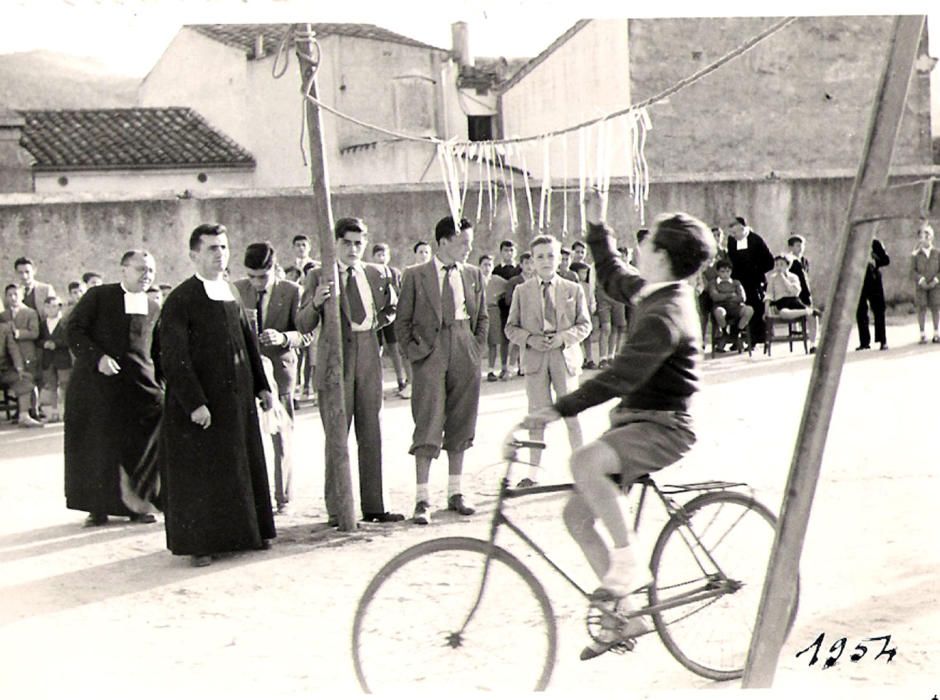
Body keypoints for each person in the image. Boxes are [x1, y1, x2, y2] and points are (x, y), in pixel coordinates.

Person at [523, 191, 715, 661]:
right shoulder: (656, 292)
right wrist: (596, 226)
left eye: (646, 240)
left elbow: (622, 375)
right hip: (635, 422)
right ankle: (626, 617)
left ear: (663, 257)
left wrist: (558, 407)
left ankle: (626, 560)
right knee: (575, 515)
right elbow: (611, 276)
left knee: (584, 459)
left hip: (664, 426)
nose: (641, 244)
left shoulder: (668, 311)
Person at [158, 224, 276, 566]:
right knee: (203, 473)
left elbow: (247, 342)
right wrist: (194, 403)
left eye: (223, 247)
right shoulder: (180, 299)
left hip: (237, 402)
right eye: (211, 248)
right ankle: (201, 544)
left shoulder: (231, 292)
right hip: (203, 406)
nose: (219, 254)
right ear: (194, 254)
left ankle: (247, 533)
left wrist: (262, 385)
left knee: (240, 464)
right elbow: (173, 357)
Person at [298, 218, 404, 525]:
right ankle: (339, 509)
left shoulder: (376, 272)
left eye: (359, 243)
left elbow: (392, 307)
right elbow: (302, 323)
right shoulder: (319, 275)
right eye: (347, 243)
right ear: (335, 243)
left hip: (368, 351)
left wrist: (372, 327)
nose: (354, 249)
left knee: (372, 431)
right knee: (337, 434)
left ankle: (375, 506)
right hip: (334, 357)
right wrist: (316, 303)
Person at [395, 215, 488, 525]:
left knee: (462, 420)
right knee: (428, 420)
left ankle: (456, 492)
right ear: (444, 242)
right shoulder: (414, 275)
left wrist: (475, 348)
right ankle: (422, 499)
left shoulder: (473, 275)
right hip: (430, 351)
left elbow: (483, 317)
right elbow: (402, 322)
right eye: (463, 243)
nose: (468, 249)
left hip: (464, 347)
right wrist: (416, 354)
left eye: (470, 244)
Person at [65, 250, 163, 527]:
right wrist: (98, 358)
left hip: (138, 390)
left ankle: (140, 506)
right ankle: (98, 508)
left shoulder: (154, 307)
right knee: (99, 449)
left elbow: (155, 350)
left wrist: (161, 384)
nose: (146, 275)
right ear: (123, 270)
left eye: (151, 271)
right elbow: (74, 331)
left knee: (140, 449)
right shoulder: (98, 297)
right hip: (97, 387)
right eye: (140, 269)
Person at [505, 235, 591, 487]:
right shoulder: (522, 291)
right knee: (537, 416)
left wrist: (563, 338)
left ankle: (581, 471)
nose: (545, 261)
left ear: (559, 259)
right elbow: (510, 328)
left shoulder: (573, 288)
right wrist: (529, 339)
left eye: (550, 255)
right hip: (535, 360)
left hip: (564, 358)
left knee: (572, 415)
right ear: (531, 261)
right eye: (539, 256)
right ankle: (533, 473)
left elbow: (585, 324)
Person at [234, 242, 311, 516]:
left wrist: (283, 337)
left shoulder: (292, 292)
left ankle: (283, 498)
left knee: (281, 436)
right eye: (251, 276)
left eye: (262, 277)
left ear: (275, 269)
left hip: (280, 373)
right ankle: (251, 497)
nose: (255, 283)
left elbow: (306, 333)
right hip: (245, 374)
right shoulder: (235, 290)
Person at [371, 243, 410, 398]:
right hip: (376, 316)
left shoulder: (394, 273)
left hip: (392, 316)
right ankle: (377, 383)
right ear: (373, 257)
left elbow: (401, 292)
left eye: (384, 255)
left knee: (394, 348)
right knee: (377, 350)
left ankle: (401, 379)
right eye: (378, 255)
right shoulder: (370, 272)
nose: (381, 258)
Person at [726, 216, 774, 343]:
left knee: (756, 309)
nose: (733, 235)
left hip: (755, 282)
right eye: (732, 233)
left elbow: (769, 262)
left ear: (742, 229)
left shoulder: (755, 240)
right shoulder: (731, 241)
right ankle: (737, 340)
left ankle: (756, 339)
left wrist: (755, 271)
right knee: (739, 310)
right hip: (739, 283)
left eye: (735, 232)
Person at [1, 284, 41, 419]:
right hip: (10, 356)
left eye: (15, 295)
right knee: (19, 378)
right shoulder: (4, 315)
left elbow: (35, 333)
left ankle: (33, 411)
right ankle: (20, 411)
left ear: (22, 295)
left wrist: (17, 333)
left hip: (25, 352)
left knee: (29, 380)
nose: (12, 298)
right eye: (9, 295)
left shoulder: (30, 312)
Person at [765, 255, 818, 352]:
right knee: (784, 313)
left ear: (787, 266)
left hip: (794, 301)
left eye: (781, 264)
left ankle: (813, 345)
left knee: (813, 317)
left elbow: (795, 292)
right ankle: (806, 311)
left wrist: (784, 279)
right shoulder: (772, 278)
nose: (778, 267)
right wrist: (766, 311)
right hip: (781, 303)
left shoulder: (793, 277)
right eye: (776, 265)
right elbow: (769, 295)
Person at [0, 320, 43, 428]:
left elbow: (13, 349)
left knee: (25, 379)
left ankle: (24, 416)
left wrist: (19, 368)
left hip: (4, 370)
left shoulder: (4, 328)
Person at [37, 296, 71, 422]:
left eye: (54, 306)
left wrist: (56, 344)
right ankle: (54, 411)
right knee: (52, 386)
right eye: (48, 307)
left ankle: (66, 411)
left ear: (59, 307)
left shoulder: (64, 323)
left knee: (64, 385)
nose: (51, 309)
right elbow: (38, 339)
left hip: (62, 359)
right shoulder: (42, 324)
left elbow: (69, 340)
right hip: (48, 360)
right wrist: (44, 344)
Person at [492, 240, 522, 380]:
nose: (509, 253)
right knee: (505, 338)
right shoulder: (497, 270)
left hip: (520, 308)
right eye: (505, 250)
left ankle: (521, 366)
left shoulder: (520, 269)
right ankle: (504, 367)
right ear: (501, 252)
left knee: (521, 337)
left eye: (511, 250)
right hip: (504, 307)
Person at [708, 260, 753, 351]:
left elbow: (742, 297)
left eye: (728, 271)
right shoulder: (713, 283)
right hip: (721, 306)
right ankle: (724, 332)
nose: (725, 274)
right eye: (722, 272)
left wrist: (724, 296)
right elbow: (715, 297)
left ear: (731, 272)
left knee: (749, 310)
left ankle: (736, 332)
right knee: (719, 312)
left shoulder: (736, 283)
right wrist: (730, 295)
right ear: (717, 272)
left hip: (735, 307)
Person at [856, 238, 890, 351]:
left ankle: (882, 340)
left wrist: (874, 258)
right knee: (861, 311)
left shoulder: (875, 243)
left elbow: (886, 260)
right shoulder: (853, 242)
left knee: (879, 309)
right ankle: (864, 342)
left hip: (873, 279)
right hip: (858, 279)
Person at [910, 222, 940, 344]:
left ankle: (936, 333)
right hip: (921, 286)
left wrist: (936, 280)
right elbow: (912, 272)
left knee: (935, 308)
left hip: (935, 285)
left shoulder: (937, 253)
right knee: (921, 308)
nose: (926, 237)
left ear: (932, 237)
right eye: (924, 235)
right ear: (920, 238)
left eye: (928, 234)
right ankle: (922, 335)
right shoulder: (915, 255)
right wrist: (921, 280)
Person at [479, 254, 507, 382]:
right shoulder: (475, 278)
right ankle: (476, 371)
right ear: (480, 266)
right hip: (478, 312)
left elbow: (509, 287)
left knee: (493, 342)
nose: (487, 268)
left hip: (493, 311)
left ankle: (491, 370)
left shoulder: (497, 280)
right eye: (484, 264)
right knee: (477, 342)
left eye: (489, 265)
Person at [786, 235, 813, 307]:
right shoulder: (789, 261)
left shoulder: (804, 261)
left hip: (805, 291)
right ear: (791, 247)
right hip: (794, 292)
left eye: (802, 245)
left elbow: (805, 279)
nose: (801, 248)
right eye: (798, 246)